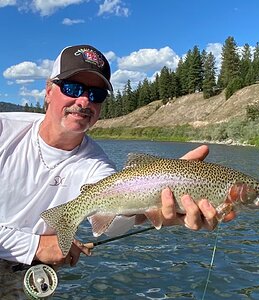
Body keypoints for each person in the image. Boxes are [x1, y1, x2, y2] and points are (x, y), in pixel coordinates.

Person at [0, 44, 235, 272]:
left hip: (25, 273)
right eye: (72, 88)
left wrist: (158, 189)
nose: (84, 101)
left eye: (96, 94)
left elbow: (111, 224)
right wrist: (33, 245)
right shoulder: (4, 130)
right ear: (49, 91)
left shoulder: (96, 164)